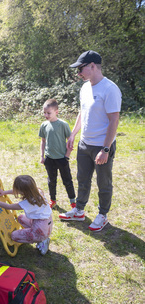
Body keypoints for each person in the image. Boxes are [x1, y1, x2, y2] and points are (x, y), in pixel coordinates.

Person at [59, 50, 122, 231]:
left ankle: (103, 215)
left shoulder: (110, 89)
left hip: (102, 146)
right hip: (84, 144)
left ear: (93, 66)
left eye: (80, 68)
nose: (78, 73)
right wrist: (73, 134)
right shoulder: (85, 87)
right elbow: (82, 112)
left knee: (103, 182)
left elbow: (114, 120)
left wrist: (106, 149)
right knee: (82, 179)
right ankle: (79, 210)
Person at [0, 175, 53, 255]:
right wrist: (4, 192)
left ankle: (42, 240)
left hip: (41, 230)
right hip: (46, 223)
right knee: (21, 218)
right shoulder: (38, 191)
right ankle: (41, 236)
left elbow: (8, 207)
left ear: (22, 191)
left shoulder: (27, 203)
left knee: (14, 236)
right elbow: (18, 191)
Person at [39, 98, 76, 210]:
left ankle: (73, 201)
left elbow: (70, 142)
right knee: (51, 181)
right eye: (44, 113)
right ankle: (53, 200)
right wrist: (42, 156)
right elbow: (43, 141)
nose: (46, 115)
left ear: (56, 112)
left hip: (62, 159)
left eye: (48, 113)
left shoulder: (63, 125)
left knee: (67, 180)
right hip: (49, 159)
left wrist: (66, 157)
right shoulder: (44, 125)